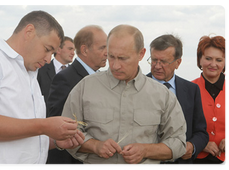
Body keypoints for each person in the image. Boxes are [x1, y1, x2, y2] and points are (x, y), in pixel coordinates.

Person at [61, 24, 187, 165]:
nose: (115, 65)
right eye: (111, 57)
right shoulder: (85, 87)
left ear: (141, 54)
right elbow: (65, 135)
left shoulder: (162, 95)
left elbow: (179, 143)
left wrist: (145, 150)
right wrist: (95, 146)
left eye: (122, 58)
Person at [0, 10, 84, 165]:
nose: (48, 60)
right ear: (29, 32)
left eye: (53, 53)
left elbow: (25, 135)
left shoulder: (30, 72)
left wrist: (56, 141)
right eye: (47, 49)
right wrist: (44, 126)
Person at [46, 25, 107, 164]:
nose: (107, 53)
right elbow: (58, 126)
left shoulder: (102, 79)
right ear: (85, 50)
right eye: (102, 48)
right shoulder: (66, 78)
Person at [146, 34, 209, 164]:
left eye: (163, 61)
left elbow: (201, 132)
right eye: (153, 60)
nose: (157, 66)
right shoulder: (137, 87)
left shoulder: (192, 90)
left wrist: (192, 146)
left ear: (178, 62)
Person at [192, 35, 226, 165]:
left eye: (219, 60)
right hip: (196, 161)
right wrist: (199, 143)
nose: (213, 64)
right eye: (208, 58)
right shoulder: (188, 89)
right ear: (199, 60)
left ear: (225, 62)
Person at [37, 36, 75, 116]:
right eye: (70, 49)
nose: (73, 53)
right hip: (45, 122)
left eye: (74, 50)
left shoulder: (75, 73)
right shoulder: (40, 70)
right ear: (58, 50)